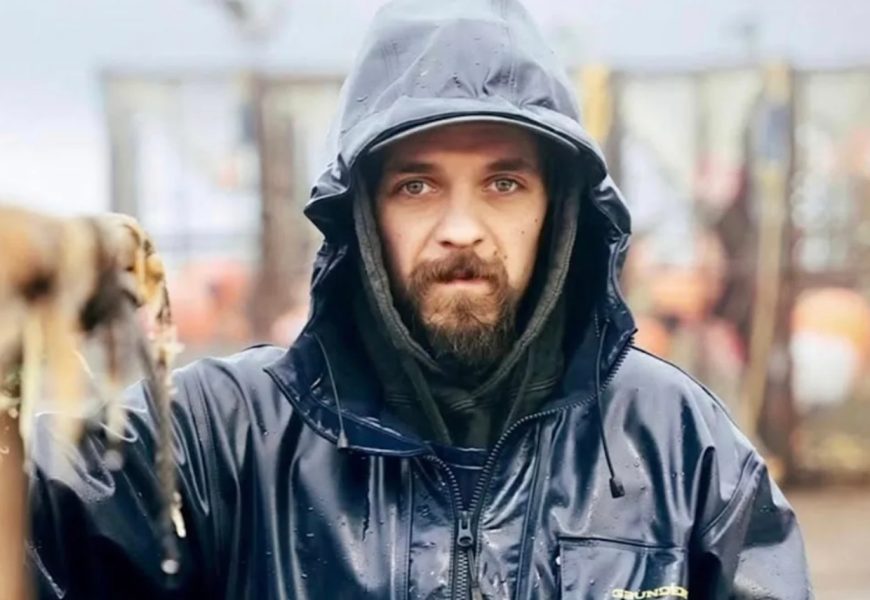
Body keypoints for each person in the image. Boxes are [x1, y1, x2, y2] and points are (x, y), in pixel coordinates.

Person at [27, 0, 812, 598]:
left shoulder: (678, 446)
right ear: (363, 215)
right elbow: (31, 528)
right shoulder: (220, 440)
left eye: (503, 183)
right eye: (416, 185)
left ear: (559, 210)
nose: (461, 229)